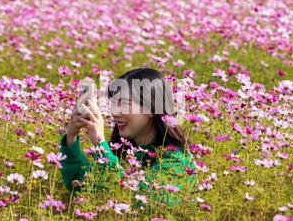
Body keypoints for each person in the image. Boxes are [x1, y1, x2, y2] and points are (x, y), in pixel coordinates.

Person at [59, 68, 197, 206]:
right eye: (113, 103)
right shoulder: (124, 152)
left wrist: (100, 143)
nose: (115, 112)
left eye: (124, 103)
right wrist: (71, 138)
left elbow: (146, 203)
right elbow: (84, 189)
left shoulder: (176, 159)